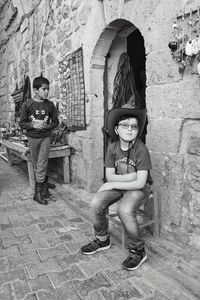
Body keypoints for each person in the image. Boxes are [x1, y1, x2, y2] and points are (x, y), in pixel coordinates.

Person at [81, 103, 153, 270]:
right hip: (122, 183)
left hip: (139, 187)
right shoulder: (112, 148)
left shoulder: (141, 150)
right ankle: (102, 239)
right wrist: (131, 176)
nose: (129, 129)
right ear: (116, 130)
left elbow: (140, 182)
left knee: (124, 210)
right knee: (96, 203)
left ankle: (138, 250)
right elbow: (109, 175)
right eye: (125, 125)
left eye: (134, 126)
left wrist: (113, 183)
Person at [19, 76, 59, 205]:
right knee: (37, 165)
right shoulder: (27, 104)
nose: (47, 92)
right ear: (35, 90)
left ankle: (37, 194)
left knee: (41, 165)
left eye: (48, 89)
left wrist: (46, 126)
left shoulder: (50, 105)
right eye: (44, 89)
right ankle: (44, 188)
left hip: (45, 138)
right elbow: (22, 123)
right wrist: (33, 125)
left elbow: (55, 122)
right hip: (32, 138)